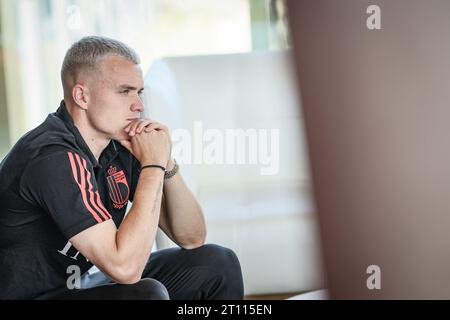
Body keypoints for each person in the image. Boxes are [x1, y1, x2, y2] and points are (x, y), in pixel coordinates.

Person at [0, 36, 244, 300]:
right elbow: (125, 269)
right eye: (124, 91)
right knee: (146, 294)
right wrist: (152, 165)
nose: (139, 105)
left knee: (217, 263)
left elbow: (192, 237)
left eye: (139, 92)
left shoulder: (118, 145)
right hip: (28, 296)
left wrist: (165, 160)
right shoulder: (52, 157)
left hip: (77, 283)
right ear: (82, 96)